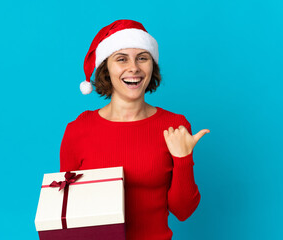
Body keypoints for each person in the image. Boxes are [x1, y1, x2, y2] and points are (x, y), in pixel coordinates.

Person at [60, 19, 210, 240]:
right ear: (105, 69)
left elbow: (183, 211)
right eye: (121, 59)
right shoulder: (78, 129)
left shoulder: (174, 126)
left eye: (143, 58)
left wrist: (183, 158)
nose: (134, 68)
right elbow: (68, 211)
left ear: (152, 66)